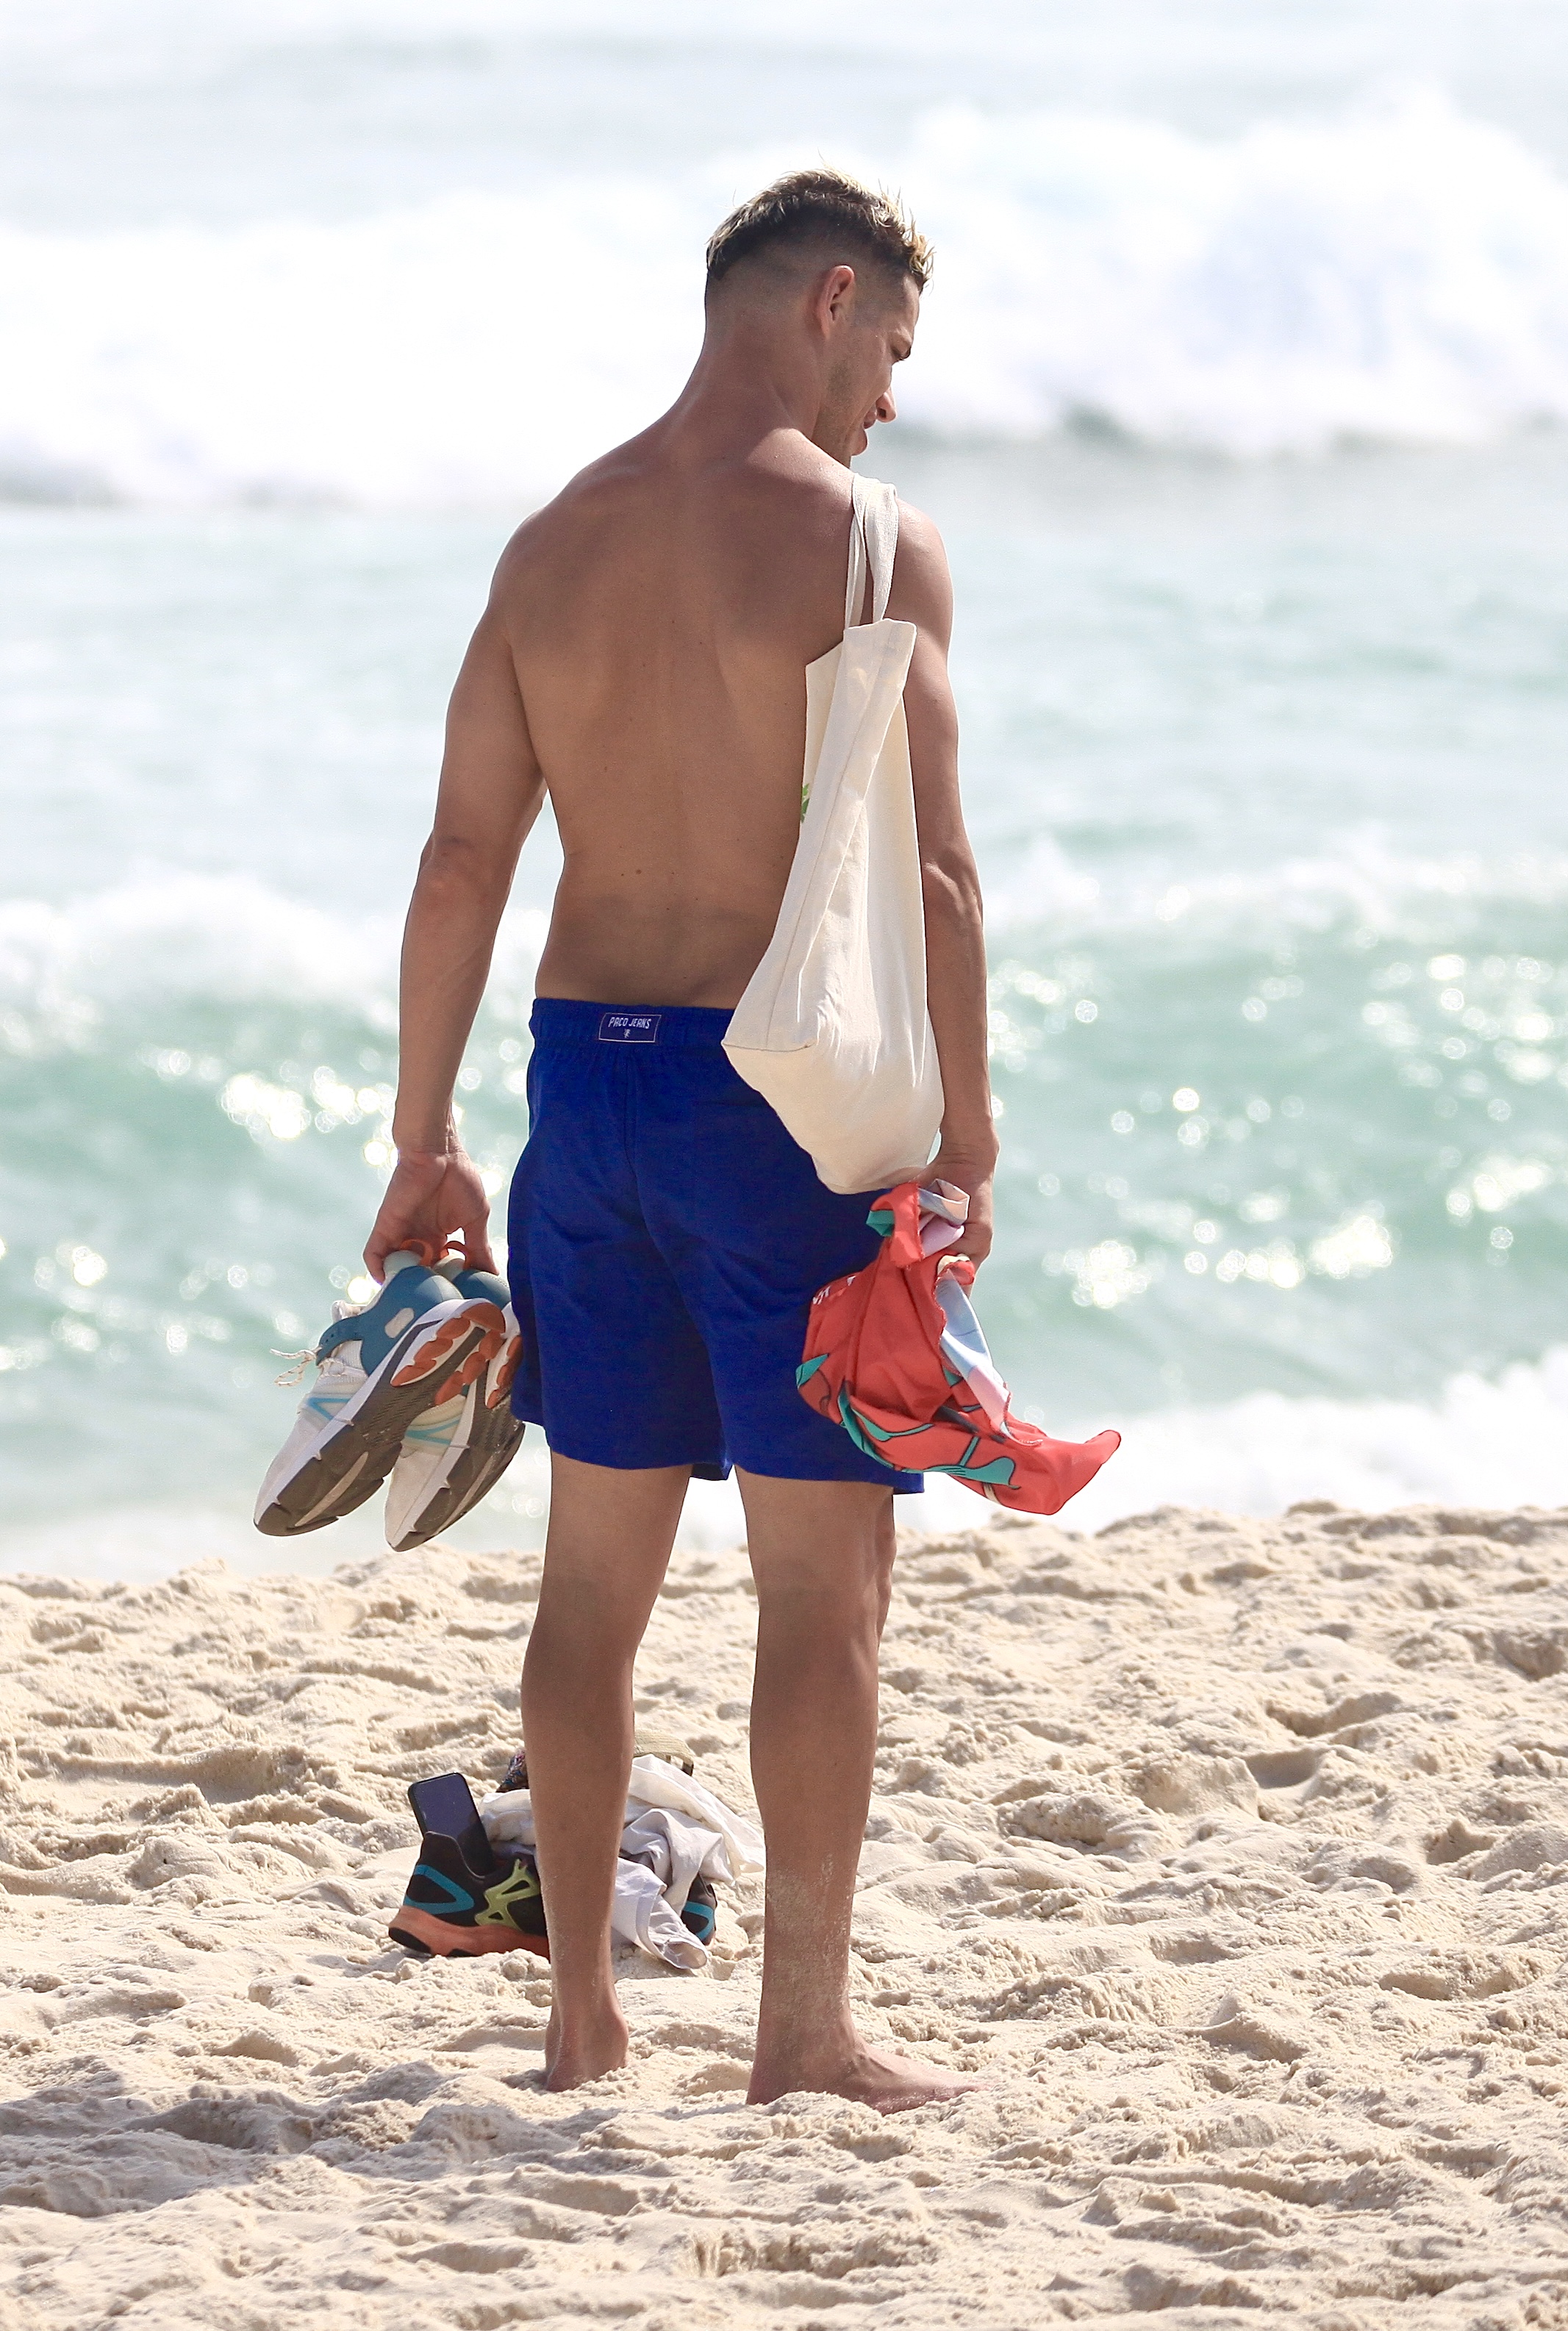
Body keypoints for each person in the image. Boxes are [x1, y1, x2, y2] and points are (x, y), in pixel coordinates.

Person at [363, 169, 995, 2114]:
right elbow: (941, 880)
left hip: (582, 1089)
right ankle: (798, 2035)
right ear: (826, 304)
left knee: (591, 1585)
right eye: (890, 348)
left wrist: (423, 1135)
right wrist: (968, 1143)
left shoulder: (554, 545)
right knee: (826, 1589)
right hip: (770, 1115)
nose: (890, 396)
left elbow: (466, 857)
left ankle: (583, 2020)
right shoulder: (871, 549)